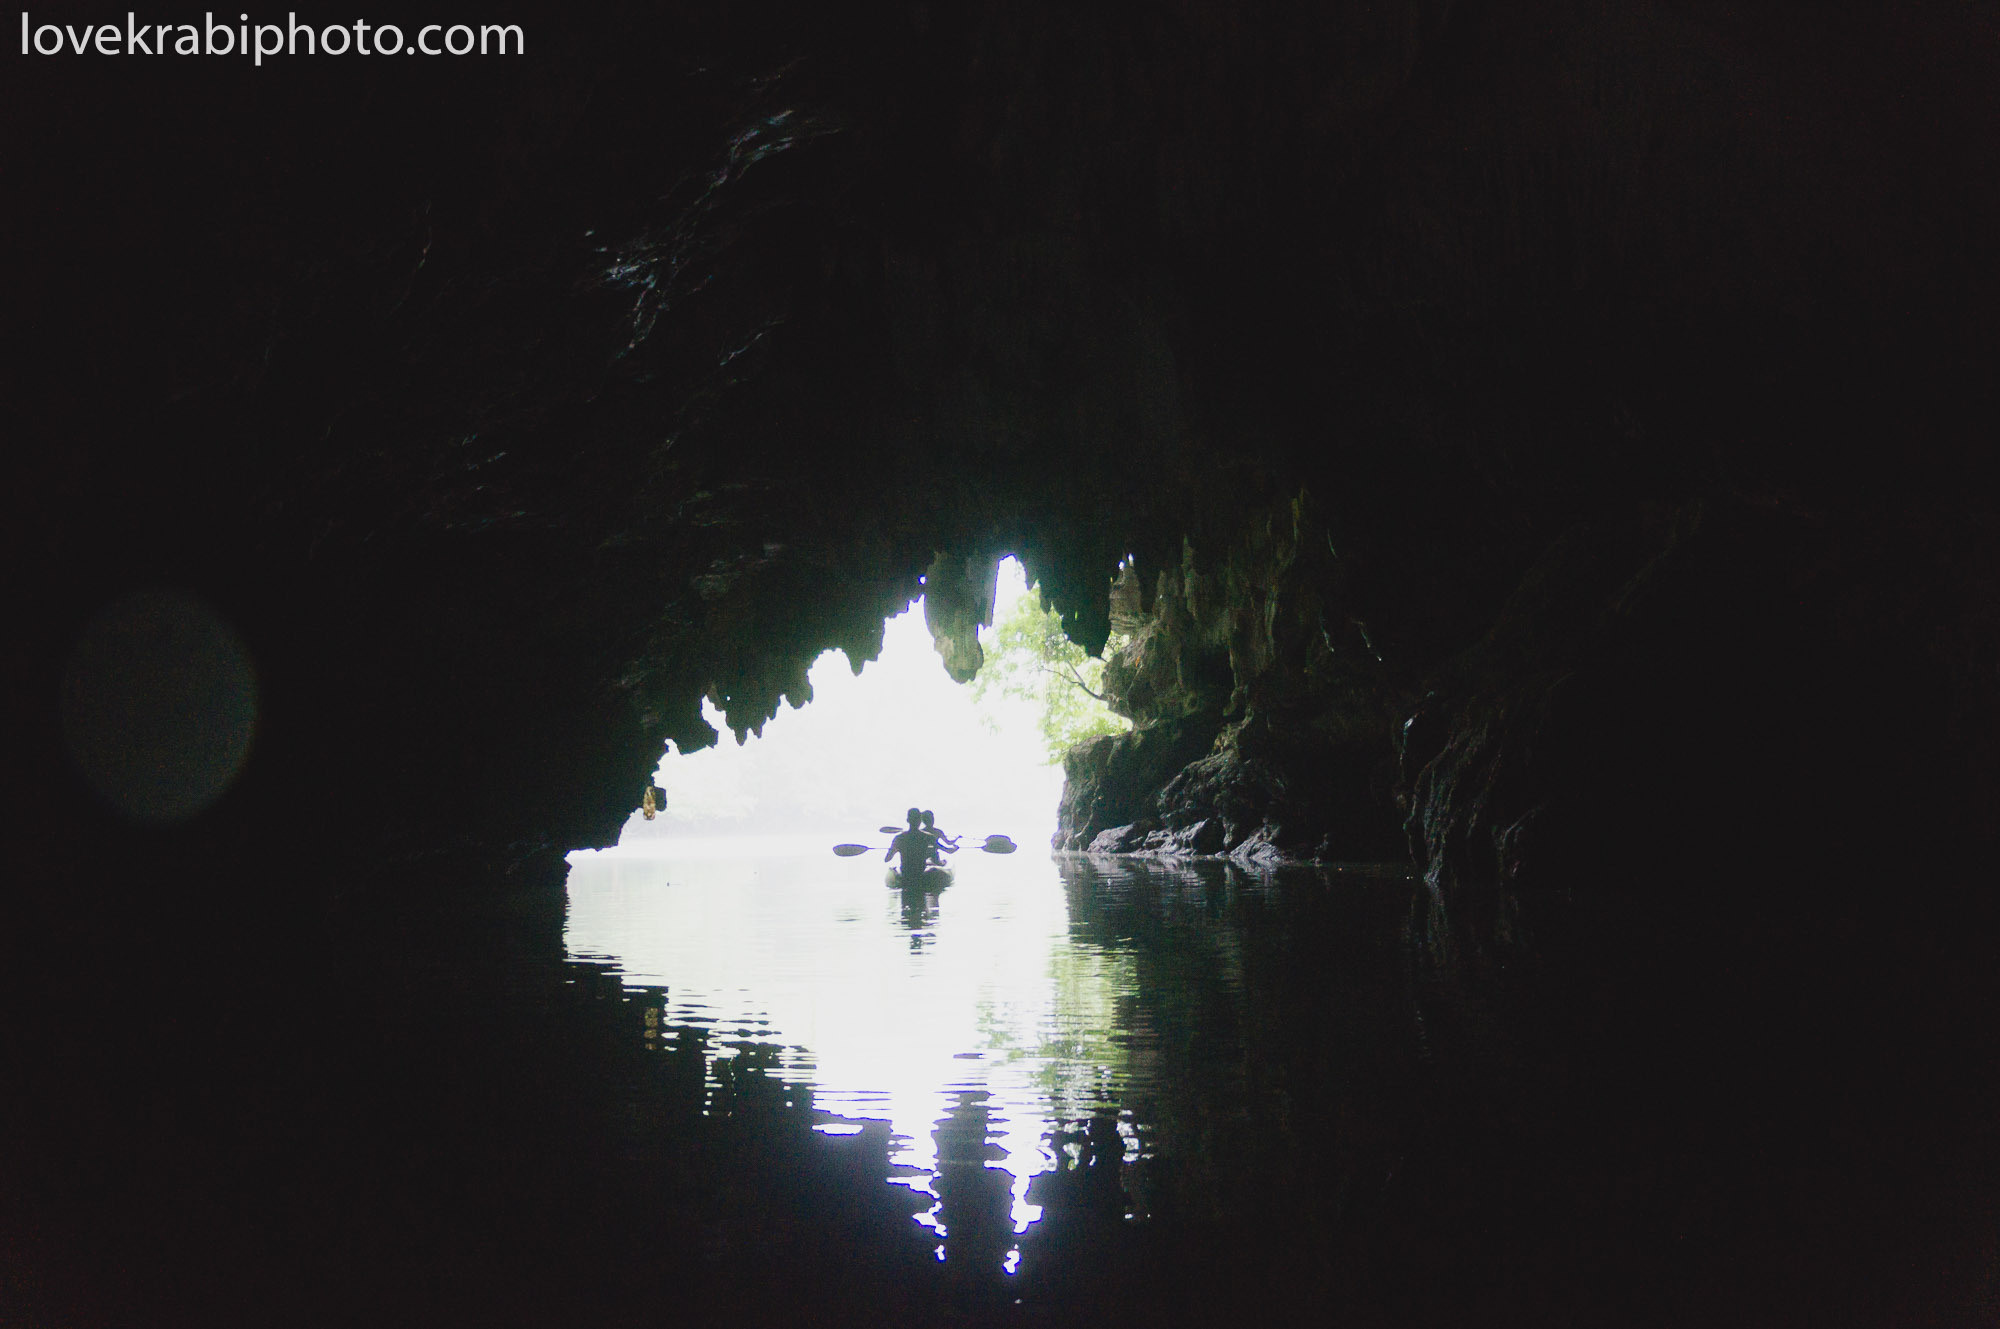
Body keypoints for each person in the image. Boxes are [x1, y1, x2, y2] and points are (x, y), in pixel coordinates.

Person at [886, 808, 933, 880]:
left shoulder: (899, 838)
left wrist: (894, 849)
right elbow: (948, 851)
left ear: (907, 820)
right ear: (920, 821)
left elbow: (887, 859)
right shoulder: (928, 837)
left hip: (906, 873)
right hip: (921, 872)